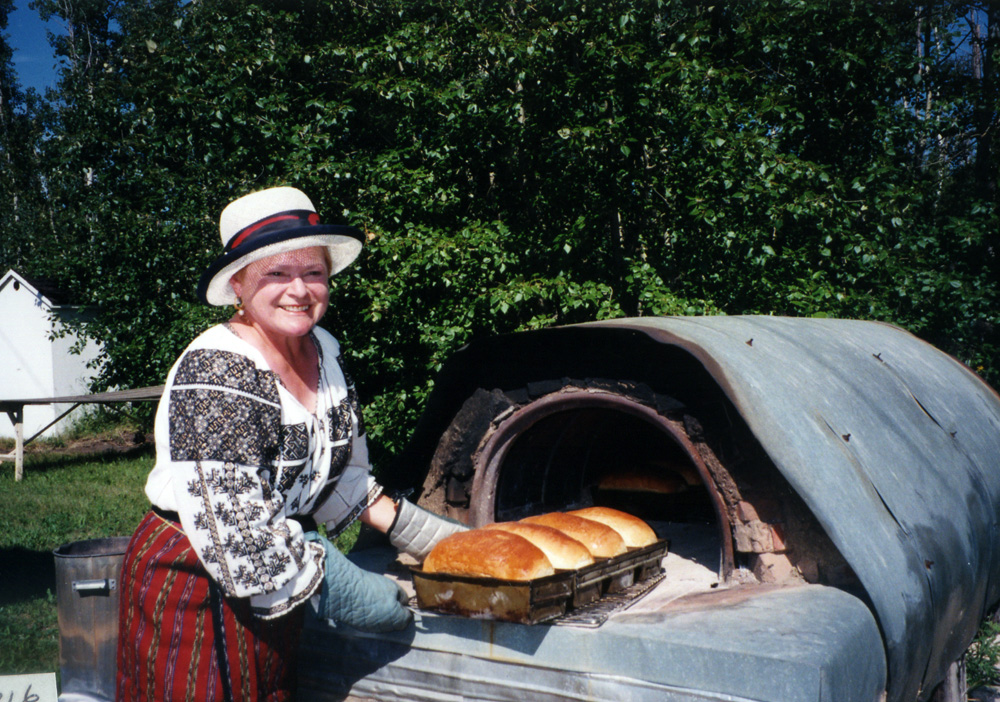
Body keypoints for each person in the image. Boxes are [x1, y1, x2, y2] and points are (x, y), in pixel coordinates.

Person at [115, 186, 465, 702]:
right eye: (276, 273)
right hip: (195, 578)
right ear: (238, 284)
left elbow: (342, 480)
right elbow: (242, 539)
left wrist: (448, 543)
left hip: (283, 565)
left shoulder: (324, 351)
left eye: (313, 272)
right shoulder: (217, 370)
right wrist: (363, 597)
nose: (298, 290)